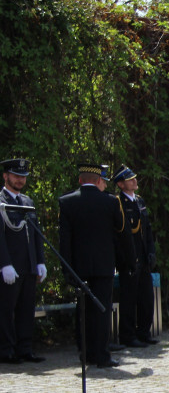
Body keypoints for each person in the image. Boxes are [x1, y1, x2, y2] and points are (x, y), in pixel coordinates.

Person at [58, 163, 130, 368]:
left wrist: (67, 268)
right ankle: (101, 354)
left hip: (78, 267)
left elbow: (65, 240)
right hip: (103, 265)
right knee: (101, 310)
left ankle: (85, 352)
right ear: (99, 181)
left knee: (83, 309)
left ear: (80, 180)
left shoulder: (66, 202)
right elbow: (121, 232)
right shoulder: (110, 202)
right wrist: (126, 260)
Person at [1, 158, 47, 364]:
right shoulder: (1, 201)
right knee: (6, 309)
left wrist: (40, 261)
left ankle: (25, 348)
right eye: (16, 176)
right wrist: (3, 264)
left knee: (27, 308)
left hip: (28, 264)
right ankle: (6, 349)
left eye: (23, 177)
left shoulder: (27, 202)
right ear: (6, 176)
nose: (20, 180)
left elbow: (35, 234)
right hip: (9, 266)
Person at [112, 166, 158, 347]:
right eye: (130, 180)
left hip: (143, 257)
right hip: (129, 259)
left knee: (146, 297)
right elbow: (119, 234)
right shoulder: (118, 203)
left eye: (134, 178)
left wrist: (151, 251)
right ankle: (128, 336)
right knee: (129, 299)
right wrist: (125, 259)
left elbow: (147, 229)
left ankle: (144, 332)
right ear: (121, 184)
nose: (134, 181)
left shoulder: (139, 201)